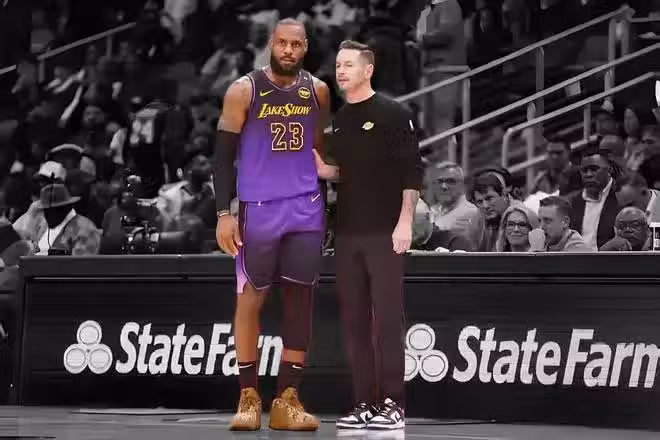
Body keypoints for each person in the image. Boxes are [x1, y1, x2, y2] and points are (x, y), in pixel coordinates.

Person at [212, 18, 330, 432]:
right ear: (270, 43)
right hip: (258, 208)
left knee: (301, 301)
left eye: (296, 44)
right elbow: (222, 157)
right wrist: (223, 213)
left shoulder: (318, 90)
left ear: (305, 47)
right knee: (250, 299)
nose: (288, 51)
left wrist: (330, 208)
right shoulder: (243, 89)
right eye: (282, 43)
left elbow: (321, 153)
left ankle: (287, 399)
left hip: (306, 207)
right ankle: (248, 395)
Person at [314, 40, 424, 430]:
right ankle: (364, 402)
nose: (341, 71)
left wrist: (405, 222)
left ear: (368, 69)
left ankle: (393, 404)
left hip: (384, 232)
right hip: (348, 234)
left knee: (387, 319)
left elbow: (412, 171)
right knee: (355, 322)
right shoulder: (341, 120)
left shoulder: (393, 113)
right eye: (338, 65)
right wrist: (323, 169)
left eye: (348, 64)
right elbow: (348, 171)